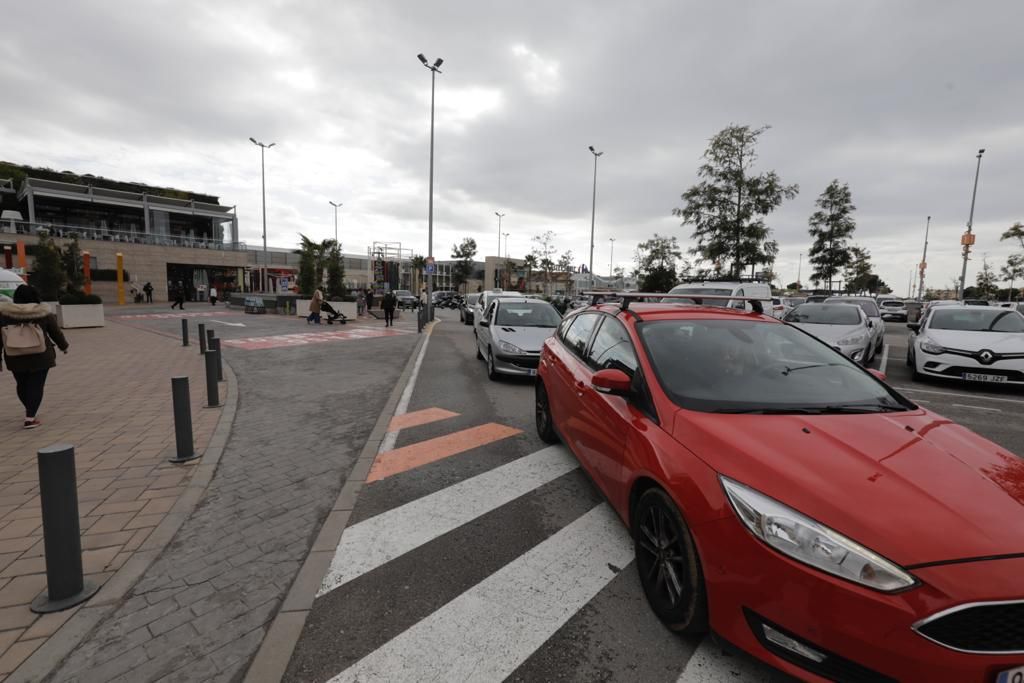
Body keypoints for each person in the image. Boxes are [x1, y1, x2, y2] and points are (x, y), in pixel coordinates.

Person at [0, 284, 69, 429]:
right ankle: (30, 417)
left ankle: (30, 409)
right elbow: (55, 332)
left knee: (22, 385)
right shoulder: (43, 313)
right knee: (36, 386)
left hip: (14, 355)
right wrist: (64, 346)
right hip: (40, 355)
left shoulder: (4, 315)